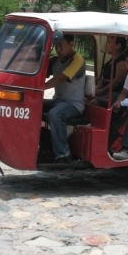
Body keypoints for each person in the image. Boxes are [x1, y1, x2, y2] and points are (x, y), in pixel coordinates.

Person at [43, 34, 86, 163]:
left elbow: (60, 78)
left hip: (74, 104)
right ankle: (43, 146)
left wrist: (39, 89)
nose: (58, 49)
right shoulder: (56, 60)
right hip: (57, 101)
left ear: (71, 44)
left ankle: (63, 154)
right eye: (55, 46)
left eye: (61, 46)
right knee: (33, 105)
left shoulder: (77, 60)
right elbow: (40, 72)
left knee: (55, 114)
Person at [90, 36, 127, 107]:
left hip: (116, 93)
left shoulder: (122, 61)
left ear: (118, 45)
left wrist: (102, 91)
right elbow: (103, 80)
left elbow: (118, 80)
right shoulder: (110, 60)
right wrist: (95, 89)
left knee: (93, 103)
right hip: (105, 91)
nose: (106, 45)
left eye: (109, 42)